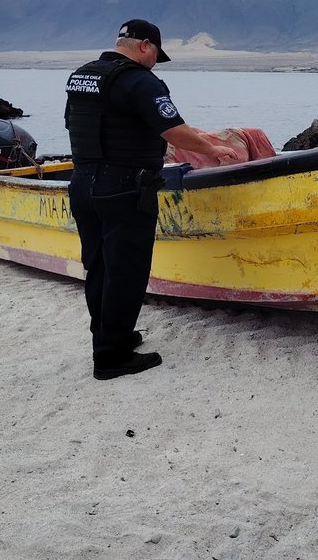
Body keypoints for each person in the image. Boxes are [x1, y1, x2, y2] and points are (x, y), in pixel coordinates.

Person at [65, 19, 239, 380]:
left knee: (99, 266)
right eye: (156, 55)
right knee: (126, 270)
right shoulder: (139, 81)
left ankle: (112, 338)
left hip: (83, 182)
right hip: (125, 187)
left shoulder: (82, 76)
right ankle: (112, 358)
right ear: (145, 45)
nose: (156, 63)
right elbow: (172, 129)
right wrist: (213, 148)